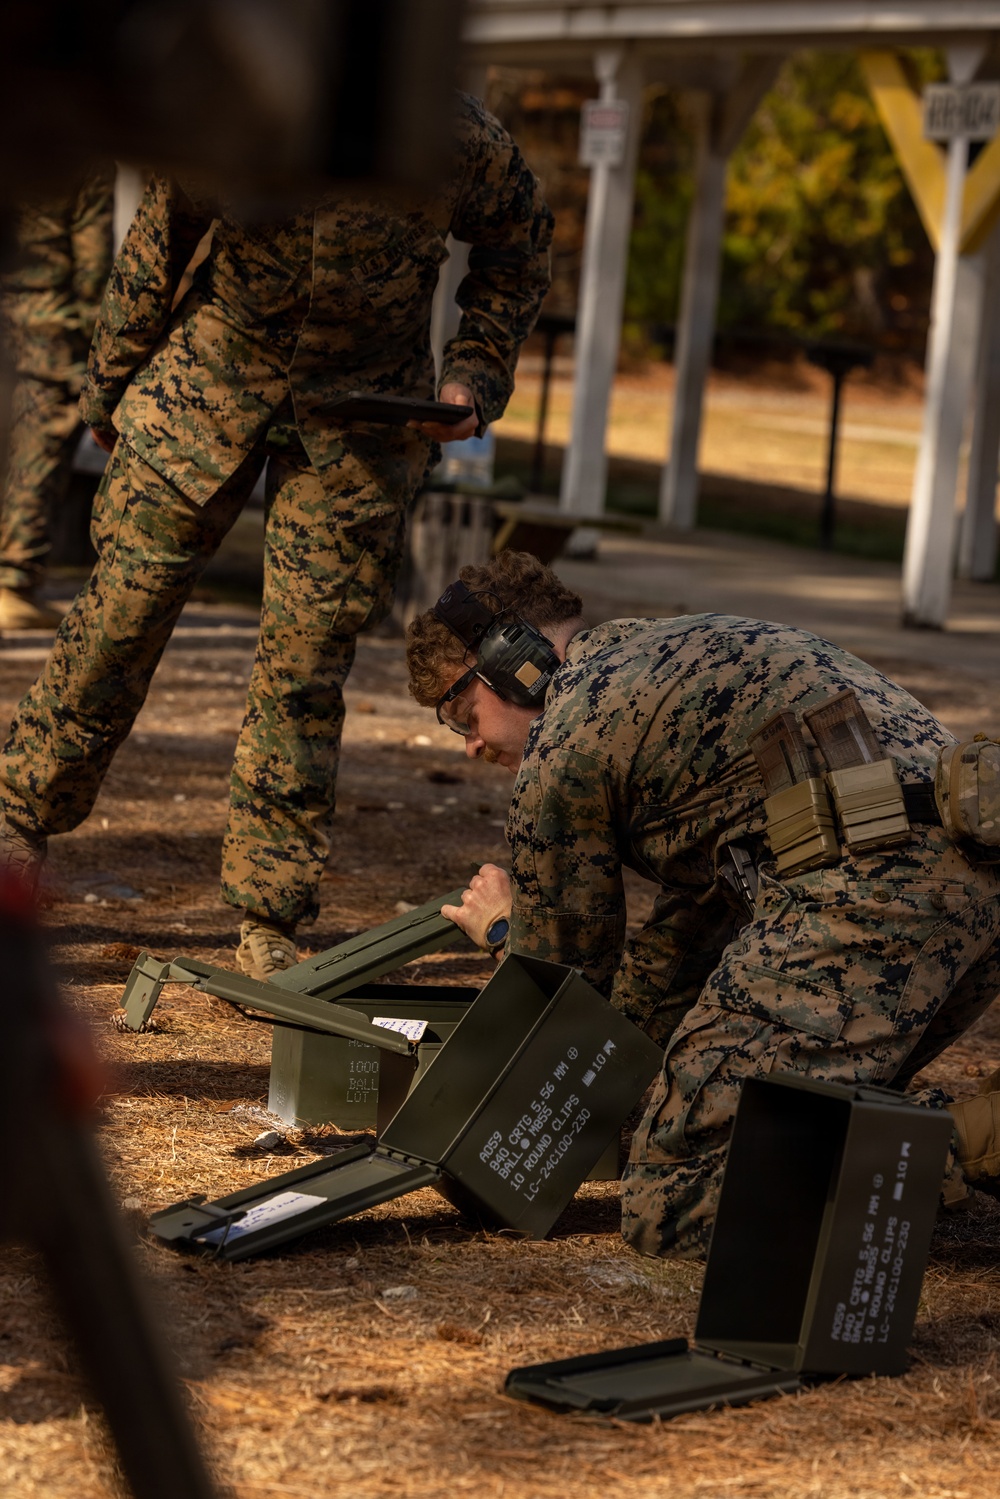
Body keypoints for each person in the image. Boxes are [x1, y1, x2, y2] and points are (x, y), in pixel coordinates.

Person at [0, 95, 553, 980]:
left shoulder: (452, 136)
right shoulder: (239, 104)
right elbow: (159, 241)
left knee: (305, 668)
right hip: (207, 381)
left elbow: (518, 247)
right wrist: (109, 384)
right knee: (117, 622)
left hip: (363, 416)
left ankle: (268, 912)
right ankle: (18, 817)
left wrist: (472, 379)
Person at [404, 550, 1000, 1257]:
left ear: (514, 664)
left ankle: (976, 1139)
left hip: (873, 897)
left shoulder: (565, 740)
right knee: (777, 1117)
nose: (469, 743)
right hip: (973, 883)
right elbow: (690, 933)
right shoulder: (675, 654)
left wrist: (507, 928)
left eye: (461, 712)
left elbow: (560, 995)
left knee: (675, 1197)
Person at [0, 168, 114, 629]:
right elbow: (93, 263)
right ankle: (10, 583)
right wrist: (99, 343)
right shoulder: (80, 155)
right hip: (47, 326)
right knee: (37, 450)